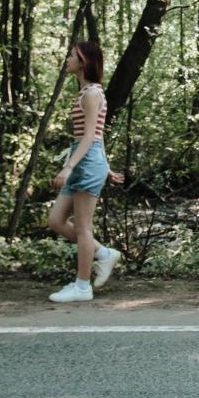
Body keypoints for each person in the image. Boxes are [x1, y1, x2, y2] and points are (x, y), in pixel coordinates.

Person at [48, 41, 125, 303]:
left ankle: (82, 286)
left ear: (83, 61)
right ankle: (103, 254)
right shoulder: (85, 93)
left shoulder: (92, 93)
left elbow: (91, 135)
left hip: (85, 161)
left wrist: (69, 167)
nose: (67, 59)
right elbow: (94, 134)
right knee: (56, 220)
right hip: (88, 159)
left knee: (83, 228)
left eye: (71, 56)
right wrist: (105, 166)